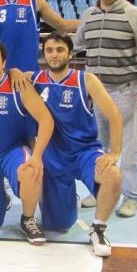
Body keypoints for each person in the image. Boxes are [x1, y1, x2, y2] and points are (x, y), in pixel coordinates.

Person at [74, 0, 137, 217]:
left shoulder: (135, 15)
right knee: (97, 147)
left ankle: (131, 196)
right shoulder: (89, 15)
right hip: (95, 94)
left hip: (124, 91)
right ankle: (98, 190)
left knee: (129, 147)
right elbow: (76, 44)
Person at [31, 32, 123, 257]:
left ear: (70, 54)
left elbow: (115, 116)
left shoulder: (86, 80)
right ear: (44, 54)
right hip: (53, 156)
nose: (54, 55)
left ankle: (98, 229)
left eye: (60, 50)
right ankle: (67, 200)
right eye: (49, 50)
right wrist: (14, 71)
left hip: (84, 152)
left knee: (112, 174)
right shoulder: (34, 80)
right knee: (58, 225)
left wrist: (115, 152)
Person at [0, 38, 54, 245]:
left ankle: (28, 219)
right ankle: (0, 197)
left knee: (30, 171)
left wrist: (37, 156)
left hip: (11, 152)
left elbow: (46, 120)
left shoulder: (18, 85)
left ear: (4, 62)